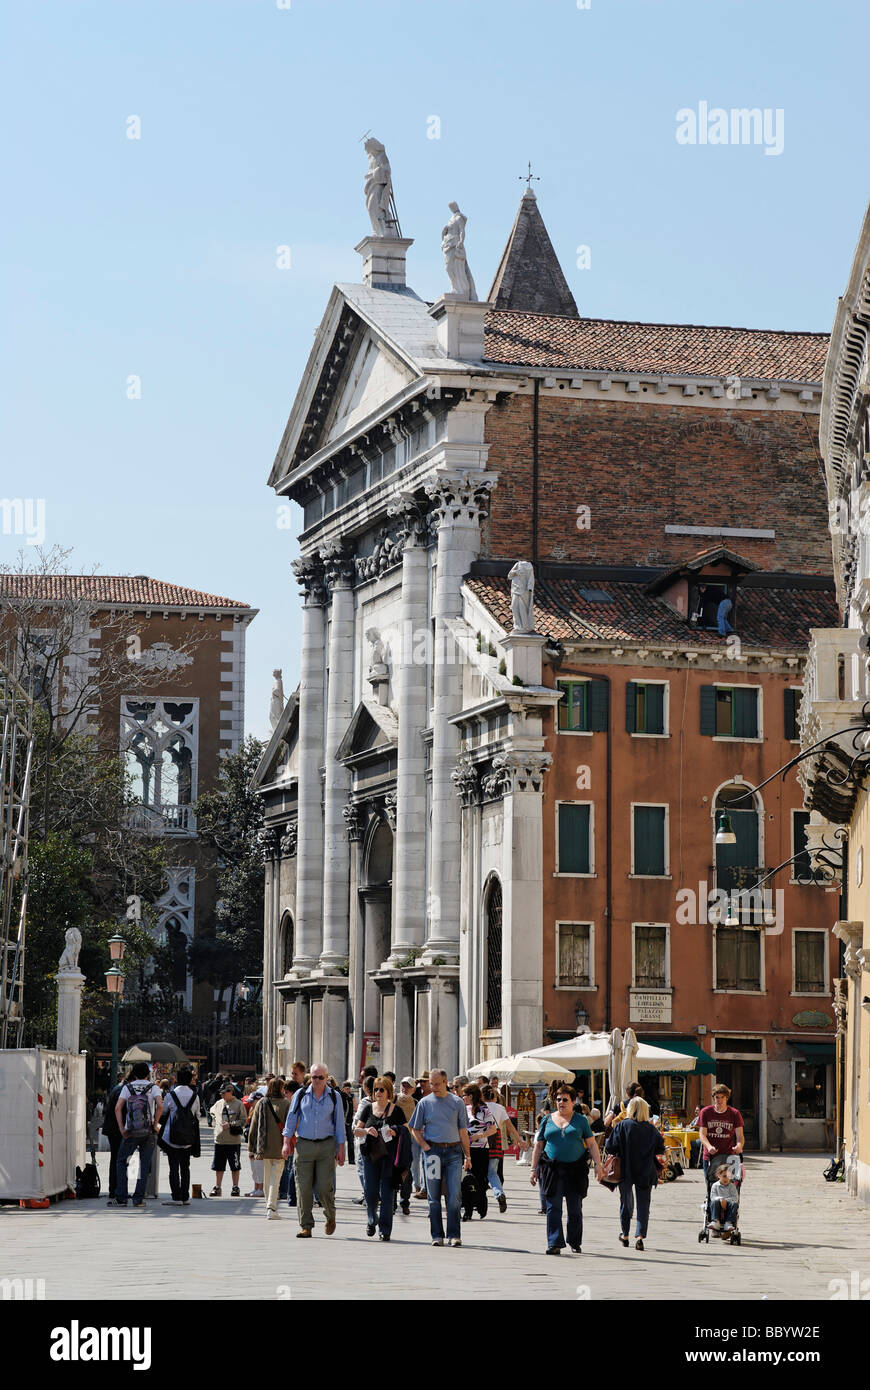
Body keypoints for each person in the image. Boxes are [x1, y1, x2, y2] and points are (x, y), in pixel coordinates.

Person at [530, 1084, 603, 1255]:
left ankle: (574, 1240)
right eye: (558, 1099)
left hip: (575, 1168)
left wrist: (598, 1165)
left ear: (573, 1101)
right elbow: (539, 1145)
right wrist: (533, 1169)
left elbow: (591, 1144)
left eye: (564, 1100)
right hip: (551, 1167)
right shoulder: (547, 1120)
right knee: (552, 1207)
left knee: (575, 1208)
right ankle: (554, 1242)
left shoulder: (581, 1120)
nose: (561, 1103)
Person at [281, 1061, 346, 1238]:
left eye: (320, 1077)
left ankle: (330, 1216)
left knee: (324, 1187)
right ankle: (306, 1225)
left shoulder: (334, 1096)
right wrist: (287, 1142)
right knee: (303, 1187)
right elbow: (291, 1118)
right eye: (314, 1077)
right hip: (304, 1145)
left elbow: (339, 1124)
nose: (317, 1080)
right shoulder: (301, 1094)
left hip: (326, 1146)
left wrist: (341, 1149)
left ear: (326, 1078)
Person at [409, 1068, 472, 1248]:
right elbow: (414, 1128)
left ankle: (454, 1234)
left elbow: (463, 1131)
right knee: (433, 1196)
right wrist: (425, 1146)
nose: (433, 1087)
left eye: (437, 1084)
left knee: (454, 1195)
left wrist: (468, 1155)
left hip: (453, 1153)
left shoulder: (457, 1103)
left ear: (445, 1082)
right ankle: (437, 1235)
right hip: (433, 1152)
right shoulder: (424, 1103)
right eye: (431, 1084)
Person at [603, 1096, 665, 1251]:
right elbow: (660, 1148)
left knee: (625, 1202)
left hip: (625, 1169)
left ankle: (625, 1234)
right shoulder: (651, 1129)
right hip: (645, 1169)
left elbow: (610, 1147)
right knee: (644, 1204)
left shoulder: (622, 1125)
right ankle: (640, 1236)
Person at [354, 1075, 407, 1241]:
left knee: (387, 1194)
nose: (378, 1092)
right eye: (375, 1089)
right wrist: (367, 1130)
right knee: (370, 1192)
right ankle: (371, 1219)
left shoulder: (396, 1110)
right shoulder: (368, 1109)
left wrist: (395, 1130)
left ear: (388, 1092)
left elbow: (406, 1130)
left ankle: (385, 1230)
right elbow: (356, 1130)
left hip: (389, 1158)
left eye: (381, 1089)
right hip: (370, 1156)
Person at [109, 1063, 163, 1209]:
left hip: (131, 1131)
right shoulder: (154, 1087)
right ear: (147, 1074)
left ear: (134, 1074)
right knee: (144, 1165)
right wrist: (155, 1123)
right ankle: (138, 1199)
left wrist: (122, 1128)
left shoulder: (128, 1087)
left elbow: (117, 1108)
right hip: (148, 1131)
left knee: (121, 1161)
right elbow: (160, 1105)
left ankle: (121, 1197)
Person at [248, 1077, 291, 1220]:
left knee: (267, 1178)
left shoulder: (261, 1103)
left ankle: (269, 1206)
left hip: (263, 1146)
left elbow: (253, 1126)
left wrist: (251, 1146)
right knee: (275, 1178)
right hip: (280, 1147)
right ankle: (271, 1207)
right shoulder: (286, 1104)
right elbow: (290, 1127)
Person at [482, 1084, 529, 1211]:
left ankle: (479, 1201)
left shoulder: (479, 1107)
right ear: (495, 1097)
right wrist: (519, 1140)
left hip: (482, 1139)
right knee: (492, 1172)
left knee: (480, 1172)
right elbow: (510, 1126)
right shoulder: (500, 1108)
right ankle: (499, 1193)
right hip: (496, 1139)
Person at [158, 1066, 201, 1206]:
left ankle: (176, 1196)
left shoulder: (171, 1095)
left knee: (173, 1167)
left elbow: (163, 1113)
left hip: (172, 1137)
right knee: (185, 1167)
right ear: (190, 1080)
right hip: (188, 1138)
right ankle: (185, 1196)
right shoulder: (195, 1096)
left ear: (177, 1079)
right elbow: (197, 1115)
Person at [461, 1084, 497, 1220]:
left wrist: (478, 1136)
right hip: (466, 1148)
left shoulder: (484, 1110)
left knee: (480, 1179)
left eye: (464, 1095)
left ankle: (481, 1203)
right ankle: (468, 1209)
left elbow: (493, 1129)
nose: (462, 1097)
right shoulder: (464, 1109)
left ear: (470, 1096)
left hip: (481, 1149)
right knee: (466, 1179)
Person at [698, 1085, 744, 1183]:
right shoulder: (705, 1112)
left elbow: (740, 1136)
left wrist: (739, 1145)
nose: (720, 1100)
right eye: (717, 1097)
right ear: (713, 1098)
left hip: (728, 1155)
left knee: (729, 1184)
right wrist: (709, 1146)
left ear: (726, 1098)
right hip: (710, 1156)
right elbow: (702, 1134)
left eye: (722, 1097)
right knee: (711, 1185)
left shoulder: (734, 1113)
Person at [209, 1081, 246, 1196]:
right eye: (221, 1093)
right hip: (219, 1140)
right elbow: (211, 1111)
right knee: (218, 1166)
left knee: (234, 1165)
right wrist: (215, 1119)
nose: (222, 1095)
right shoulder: (219, 1103)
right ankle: (218, 1187)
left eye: (224, 1093)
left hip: (233, 1141)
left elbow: (243, 1120)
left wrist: (231, 1124)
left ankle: (235, 1187)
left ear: (231, 1092)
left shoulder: (239, 1104)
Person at [393, 1078, 417, 1214]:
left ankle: (405, 1201)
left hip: (408, 1142)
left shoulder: (416, 1103)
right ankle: (392, 1201)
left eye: (408, 1087)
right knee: (392, 1170)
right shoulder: (394, 1099)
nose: (405, 1089)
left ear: (413, 1089)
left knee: (407, 1172)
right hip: (394, 1140)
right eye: (403, 1085)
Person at [101, 1076, 126, 1199]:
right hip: (117, 1130)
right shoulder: (123, 1090)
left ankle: (115, 1189)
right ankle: (117, 1189)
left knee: (115, 1158)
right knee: (119, 1159)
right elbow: (120, 1110)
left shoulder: (117, 1088)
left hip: (112, 1129)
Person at [411, 1072, 431, 1199]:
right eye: (420, 1081)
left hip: (428, 1132)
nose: (422, 1084)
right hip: (416, 1130)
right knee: (414, 1159)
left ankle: (424, 1187)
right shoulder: (416, 1093)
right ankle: (417, 1184)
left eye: (425, 1081)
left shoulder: (435, 1095)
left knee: (425, 1160)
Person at [709, 1161, 740, 1233]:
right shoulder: (715, 1186)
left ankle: (728, 1223)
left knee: (734, 1204)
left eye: (729, 1176)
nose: (726, 1179)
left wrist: (725, 1201)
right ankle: (715, 1221)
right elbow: (712, 1197)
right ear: (718, 1175)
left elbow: (735, 1198)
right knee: (714, 1201)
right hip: (718, 1205)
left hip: (728, 1205)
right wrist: (720, 1200)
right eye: (724, 1176)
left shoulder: (732, 1186)